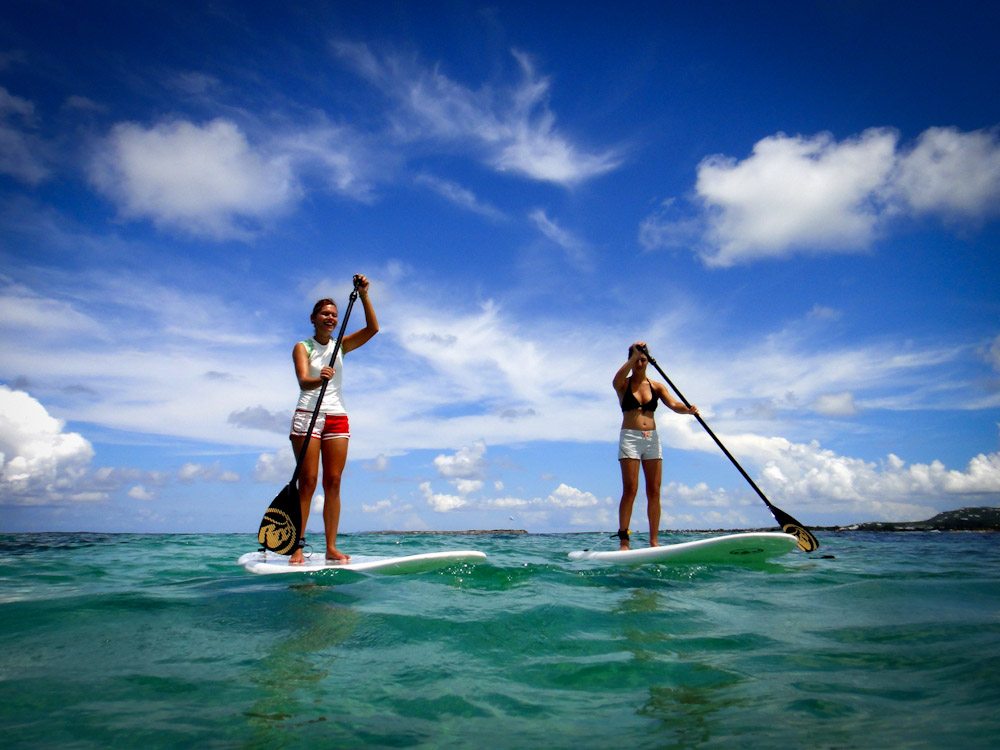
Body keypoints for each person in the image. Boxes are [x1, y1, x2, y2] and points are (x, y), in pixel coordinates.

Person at [289, 275, 379, 564]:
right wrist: (319, 379)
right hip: (308, 416)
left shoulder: (341, 346)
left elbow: (373, 329)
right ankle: (297, 547)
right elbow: (304, 381)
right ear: (314, 318)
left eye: (334, 314)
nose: (330, 317)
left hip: (337, 416)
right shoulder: (303, 346)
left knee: (334, 481)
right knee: (308, 482)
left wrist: (364, 295)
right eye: (325, 313)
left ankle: (330, 547)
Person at [613, 341, 699, 550]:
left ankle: (654, 541)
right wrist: (634, 354)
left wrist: (687, 409)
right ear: (630, 361)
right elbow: (615, 380)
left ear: (648, 362)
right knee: (630, 490)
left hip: (652, 439)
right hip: (630, 438)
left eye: (643, 360)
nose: (640, 364)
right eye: (636, 360)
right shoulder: (623, 384)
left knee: (654, 491)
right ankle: (624, 540)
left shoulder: (656, 386)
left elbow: (673, 404)